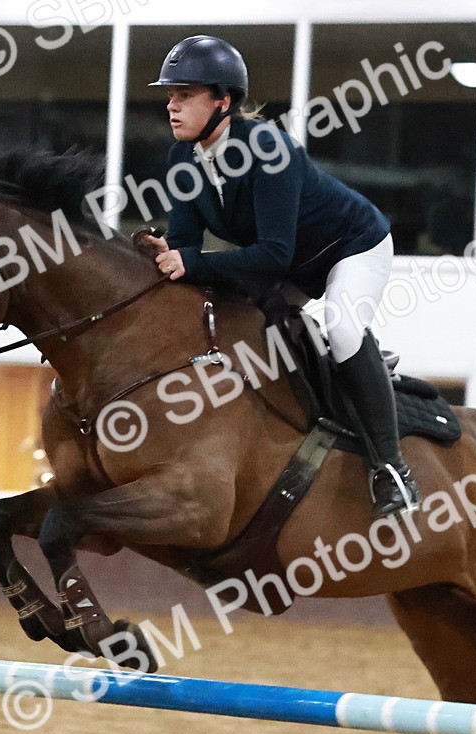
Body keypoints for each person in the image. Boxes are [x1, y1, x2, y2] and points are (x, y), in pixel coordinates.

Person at [143, 35, 420, 518]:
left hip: (350, 248)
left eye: (184, 95)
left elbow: (272, 255)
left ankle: (392, 470)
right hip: (289, 260)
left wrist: (192, 262)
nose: (172, 106)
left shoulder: (268, 148)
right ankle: (345, 371)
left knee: (343, 327)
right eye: (170, 96)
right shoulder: (182, 159)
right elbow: (187, 247)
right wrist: (164, 255)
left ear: (222, 101)